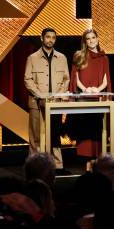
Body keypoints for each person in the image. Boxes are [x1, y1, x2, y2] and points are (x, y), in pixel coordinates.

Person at [24, 27, 70, 170]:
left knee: (54, 135)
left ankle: (57, 165)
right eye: (48, 37)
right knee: (36, 135)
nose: (50, 40)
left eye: (53, 37)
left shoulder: (62, 58)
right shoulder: (32, 58)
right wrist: (40, 94)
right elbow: (27, 79)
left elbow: (66, 80)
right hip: (36, 103)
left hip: (55, 103)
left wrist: (59, 95)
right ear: (42, 38)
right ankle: (35, 166)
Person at [69, 29, 112, 158]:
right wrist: (85, 89)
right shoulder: (79, 55)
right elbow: (75, 77)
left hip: (97, 98)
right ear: (85, 42)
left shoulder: (104, 58)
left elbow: (106, 80)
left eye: (93, 37)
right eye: (88, 38)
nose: (91, 40)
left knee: (97, 130)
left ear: (97, 39)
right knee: (85, 130)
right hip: (83, 98)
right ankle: (87, 163)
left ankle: (97, 160)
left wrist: (97, 90)